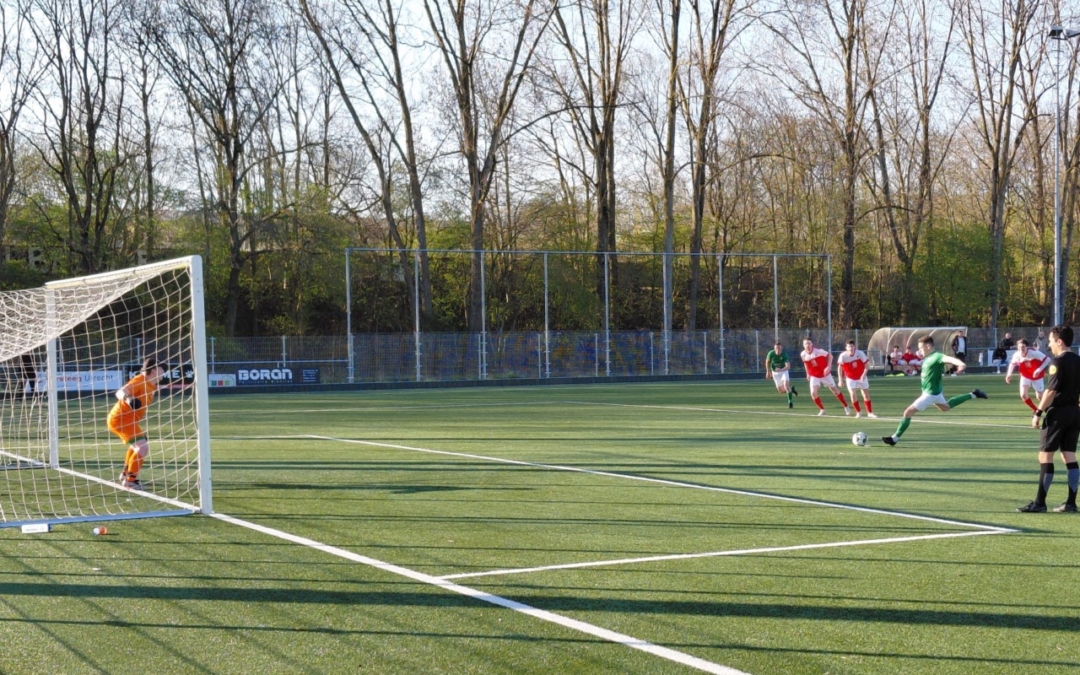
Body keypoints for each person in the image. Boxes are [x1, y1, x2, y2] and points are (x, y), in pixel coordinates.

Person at [1017, 325, 1080, 513]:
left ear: (1059, 341)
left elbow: (1051, 391)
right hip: (1075, 412)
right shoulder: (1078, 360)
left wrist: (1038, 412)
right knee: (1069, 454)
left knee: (1045, 455)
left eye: (1051, 341)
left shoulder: (1057, 362)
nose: (1050, 345)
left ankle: (1039, 503)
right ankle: (1070, 503)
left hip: (1058, 413)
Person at [881, 335, 987, 446]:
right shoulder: (927, 358)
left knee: (907, 412)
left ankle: (894, 439)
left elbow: (949, 359)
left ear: (928, 346)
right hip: (935, 392)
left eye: (921, 348)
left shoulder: (937, 356)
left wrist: (961, 364)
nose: (919, 351)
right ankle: (973, 394)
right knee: (946, 407)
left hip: (929, 394)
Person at [107, 357, 166, 490]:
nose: (164, 372)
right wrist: (129, 399)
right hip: (121, 419)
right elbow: (120, 392)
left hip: (126, 420)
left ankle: (126, 474)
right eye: (162, 369)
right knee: (142, 448)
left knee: (139, 444)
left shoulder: (150, 384)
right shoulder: (140, 381)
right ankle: (130, 481)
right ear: (154, 370)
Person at [800, 337, 850, 417]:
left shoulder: (819, 351)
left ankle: (846, 406)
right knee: (813, 393)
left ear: (812, 344)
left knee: (835, 391)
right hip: (814, 375)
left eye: (809, 343)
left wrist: (828, 366)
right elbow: (805, 363)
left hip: (824, 374)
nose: (808, 345)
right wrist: (808, 373)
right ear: (803, 345)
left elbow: (830, 356)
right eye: (806, 344)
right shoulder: (803, 354)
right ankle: (822, 409)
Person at [1004, 338, 1051, 414]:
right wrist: (1009, 374)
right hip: (1025, 375)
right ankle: (1036, 410)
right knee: (1023, 395)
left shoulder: (1034, 352)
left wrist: (1039, 370)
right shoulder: (1017, 355)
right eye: (1019, 347)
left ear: (1027, 347)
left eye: (1023, 347)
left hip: (1037, 376)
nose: (1021, 349)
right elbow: (1012, 364)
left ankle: (1050, 410)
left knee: (1039, 397)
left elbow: (1048, 359)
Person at [837, 340, 877, 419]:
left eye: (852, 346)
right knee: (853, 394)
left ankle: (870, 412)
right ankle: (858, 412)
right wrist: (840, 379)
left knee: (865, 394)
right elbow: (840, 368)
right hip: (850, 378)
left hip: (861, 376)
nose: (851, 348)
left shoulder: (860, 353)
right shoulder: (843, 356)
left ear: (854, 347)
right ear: (846, 348)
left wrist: (863, 375)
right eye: (849, 346)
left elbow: (867, 365)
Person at [765, 341, 798, 408]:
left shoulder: (784, 354)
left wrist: (781, 370)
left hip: (784, 372)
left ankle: (790, 402)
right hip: (775, 373)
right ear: (774, 349)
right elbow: (767, 362)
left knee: (786, 386)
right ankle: (791, 389)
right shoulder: (771, 353)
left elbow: (788, 366)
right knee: (781, 390)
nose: (778, 350)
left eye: (779, 348)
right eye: (776, 348)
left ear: (781, 348)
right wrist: (768, 371)